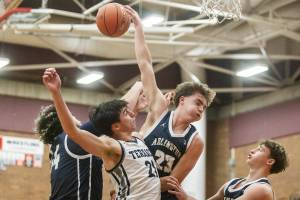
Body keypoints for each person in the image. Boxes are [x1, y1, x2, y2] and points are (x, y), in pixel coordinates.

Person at [124, 6, 216, 199]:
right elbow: (145, 64)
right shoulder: (159, 110)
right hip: (137, 190)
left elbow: (173, 181)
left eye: (204, 107)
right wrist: (139, 28)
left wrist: (136, 184)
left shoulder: (196, 141)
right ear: (182, 100)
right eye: (198, 102)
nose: (201, 108)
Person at [42, 68, 162, 200]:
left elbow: (117, 127)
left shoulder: (60, 145)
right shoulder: (69, 139)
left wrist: (134, 111)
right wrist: (140, 83)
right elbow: (109, 116)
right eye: (69, 113)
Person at [35, 104, 103, 200]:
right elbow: (108, 116)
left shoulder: (56, 146)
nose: (75, 116)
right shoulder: (72, 138)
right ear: (64, 119)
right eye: (71, 114)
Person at [208, 140, 288, 200]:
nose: (252, 151)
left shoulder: (263, 189)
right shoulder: (232, 183)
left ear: (270, 161)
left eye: (260, 150)